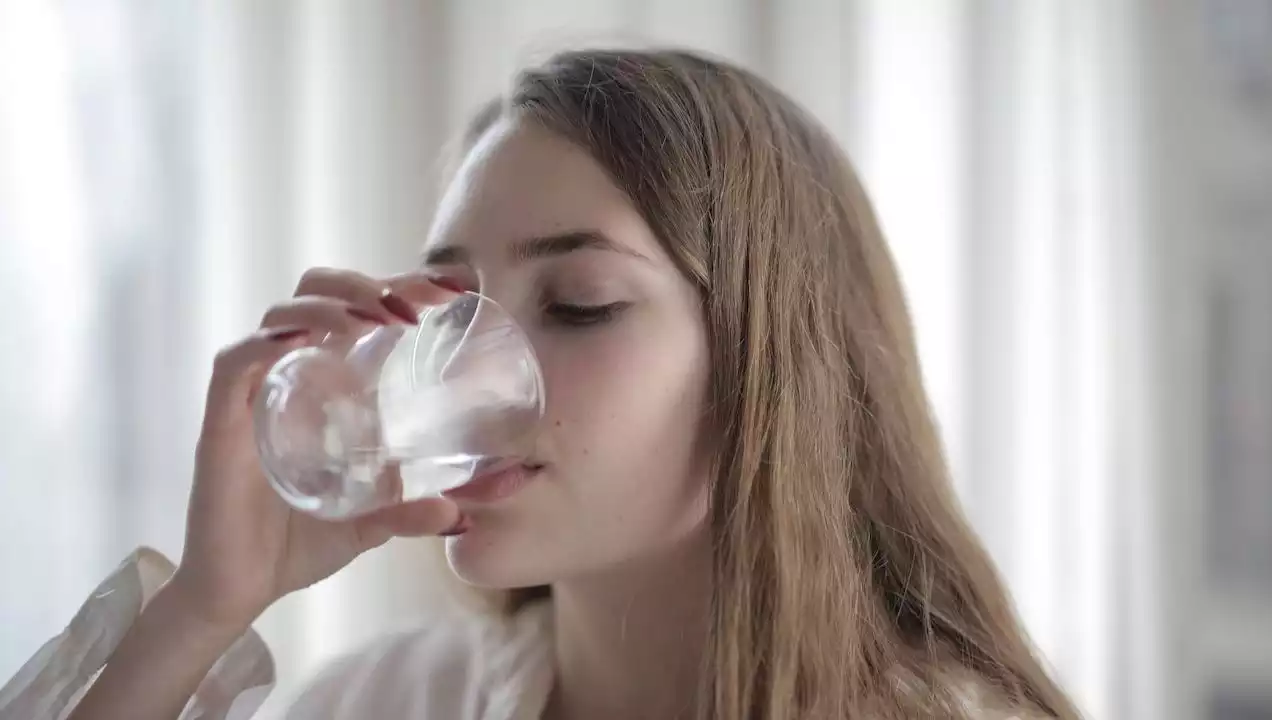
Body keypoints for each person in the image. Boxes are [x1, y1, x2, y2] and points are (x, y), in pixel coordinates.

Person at [1, 48, 1081, 720]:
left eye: (577, 305)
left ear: (770, 364)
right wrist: (201, 608)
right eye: (444, 305)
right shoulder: (390, 703)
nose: (464, 371)